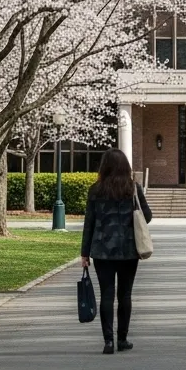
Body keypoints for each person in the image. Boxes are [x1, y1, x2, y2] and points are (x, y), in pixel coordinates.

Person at [79, 148, 152, 355]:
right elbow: (147, 216)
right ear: (125, 167)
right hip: (129, 249)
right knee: (125, 295)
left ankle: (108, 341)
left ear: (105, 167)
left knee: (107, 295)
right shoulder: (133, 189)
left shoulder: (95, 190)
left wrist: (84, 253)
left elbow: (89, 224)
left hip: (102, 250)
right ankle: (123, 339)